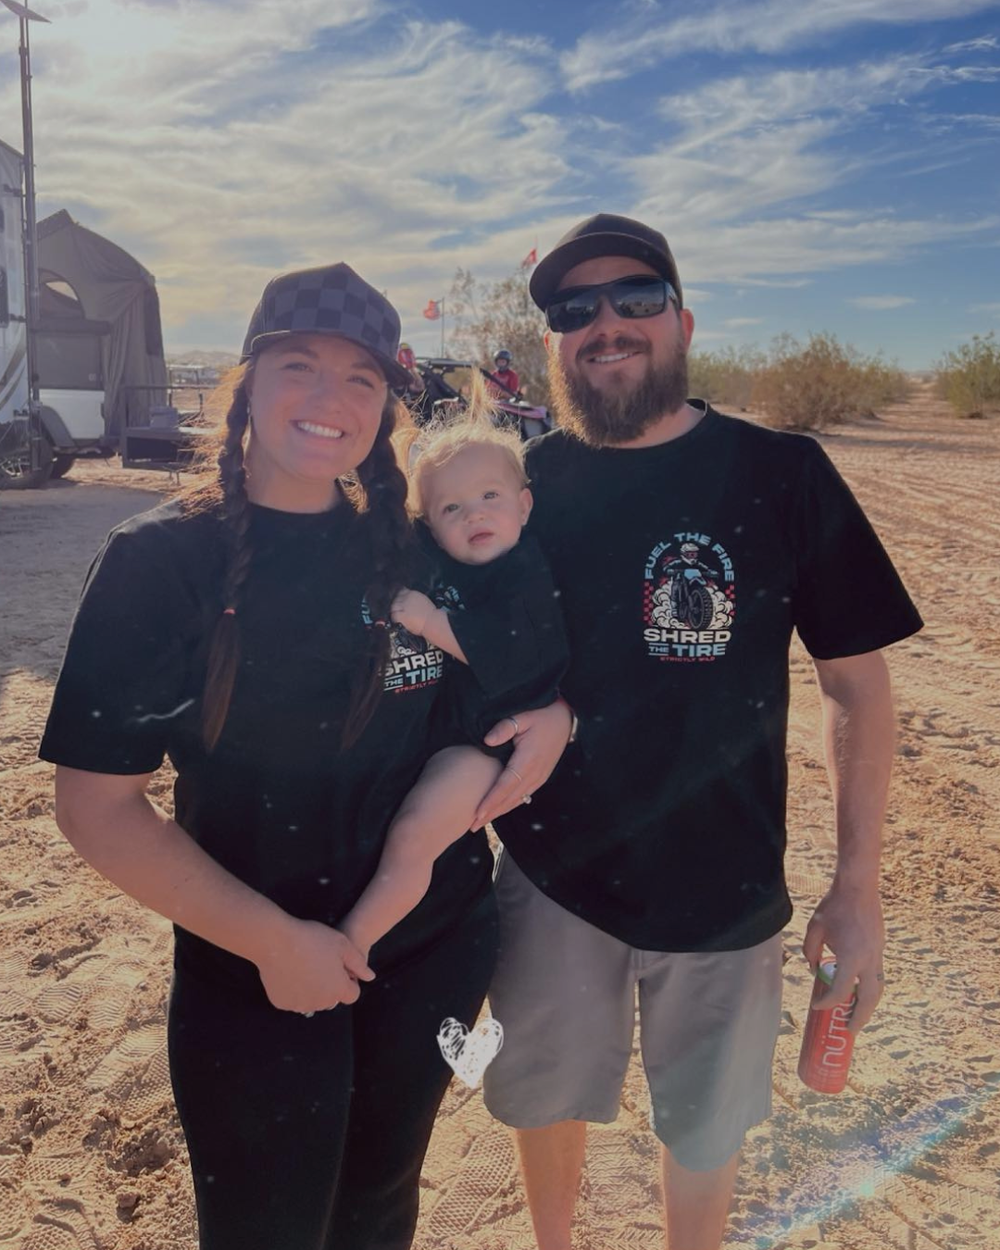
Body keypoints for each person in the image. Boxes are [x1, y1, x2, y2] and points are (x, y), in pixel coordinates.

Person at [38, 262, 570, 1250]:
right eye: (300, 365)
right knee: (266, 1224)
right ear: (247, 384)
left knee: (378, 1204)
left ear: (387, 407)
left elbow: (513, 659)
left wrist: (555, 712)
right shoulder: (159, 561)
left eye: (361, 379)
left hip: (428, 948)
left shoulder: (419, 548)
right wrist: (273, 941)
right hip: (250, 968)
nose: (330, 400)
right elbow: (97, 806)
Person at [480, 214, 923, 1250]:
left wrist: (855, 888)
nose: (606, 324)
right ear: (551, 341)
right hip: (553, 874)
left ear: (682, 320)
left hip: (726, 882)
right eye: (572, 309)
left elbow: (856, 687)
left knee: (707, 1122)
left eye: (635, 298)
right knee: (543, 1095)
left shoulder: (783, 471)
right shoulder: (525, 489)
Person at [340, 412, 568, 959]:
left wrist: (429, 623)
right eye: (452, 509)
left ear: (524, 505)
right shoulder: (444, 560)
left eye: (491, 495)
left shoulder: (527, 573)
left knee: (415, 835)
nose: (475, 515)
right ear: (432, 529)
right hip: (441, 726)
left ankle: (352, 944)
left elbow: (510, 656)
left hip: (486, 742)